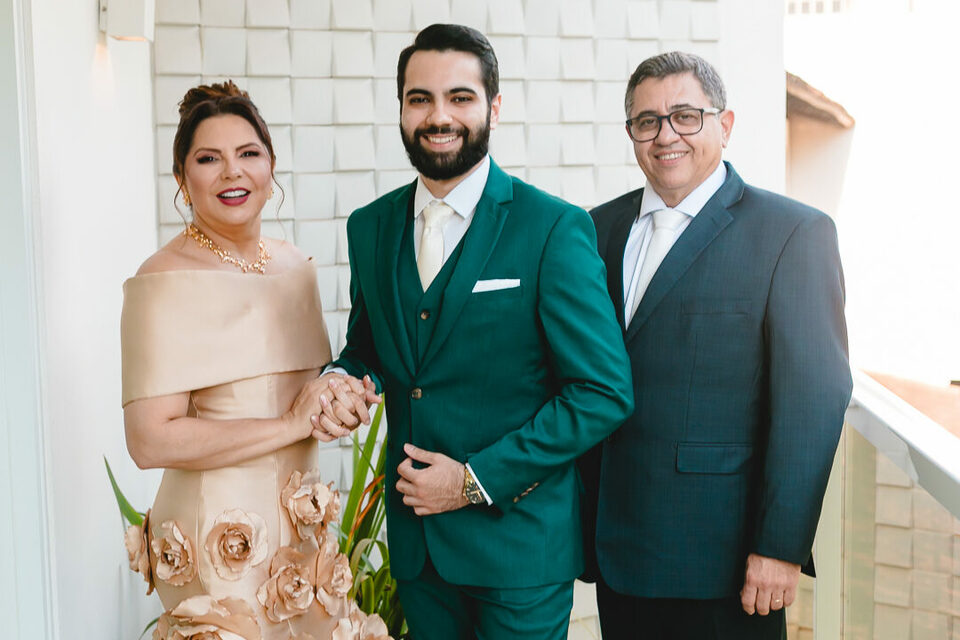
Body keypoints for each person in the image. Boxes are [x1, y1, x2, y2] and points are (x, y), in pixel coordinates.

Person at [316, 24, 634, 640]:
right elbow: (369, 346)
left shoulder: (552, 228)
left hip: (519, 551)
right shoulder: (369, 227)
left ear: (493, 107)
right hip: (419, 553)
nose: (439, 116)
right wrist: (340, 379)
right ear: (401, 108)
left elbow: (603, 391)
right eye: (420, 99)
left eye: (459, 97)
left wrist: (471, 482)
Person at [584, 52, 853, 639]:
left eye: (686, 116)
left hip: (726, 564)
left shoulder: (792, 233)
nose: (666, 135)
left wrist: (780, 546)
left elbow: (814, 401)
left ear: (724, 125)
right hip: (616, 551)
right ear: (631, 134)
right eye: (647, 121)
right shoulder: (594, 230)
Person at [120, 81, 387, 640]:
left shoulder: (295, 267)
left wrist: (339, 401)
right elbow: (149, 441)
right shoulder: (163, 279)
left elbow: (306, 396)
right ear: (181, 178)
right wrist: (288, 424)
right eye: (208, 159)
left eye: (248, 153)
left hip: (301, 540)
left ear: (271, 167)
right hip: (217, 545)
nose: (232, 172)